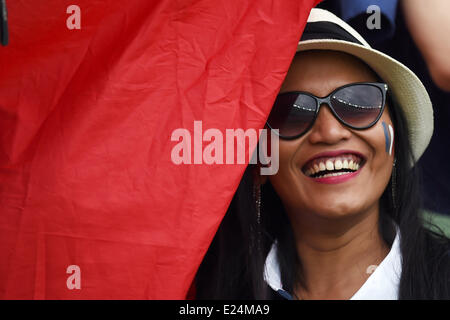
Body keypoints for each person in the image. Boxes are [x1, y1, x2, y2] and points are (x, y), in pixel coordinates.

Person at [193, 9, 450, 300]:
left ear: (396, 142)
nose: (329, 132)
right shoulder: (205, 294)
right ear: (259, 164)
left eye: (358, 103)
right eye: (291, 113)